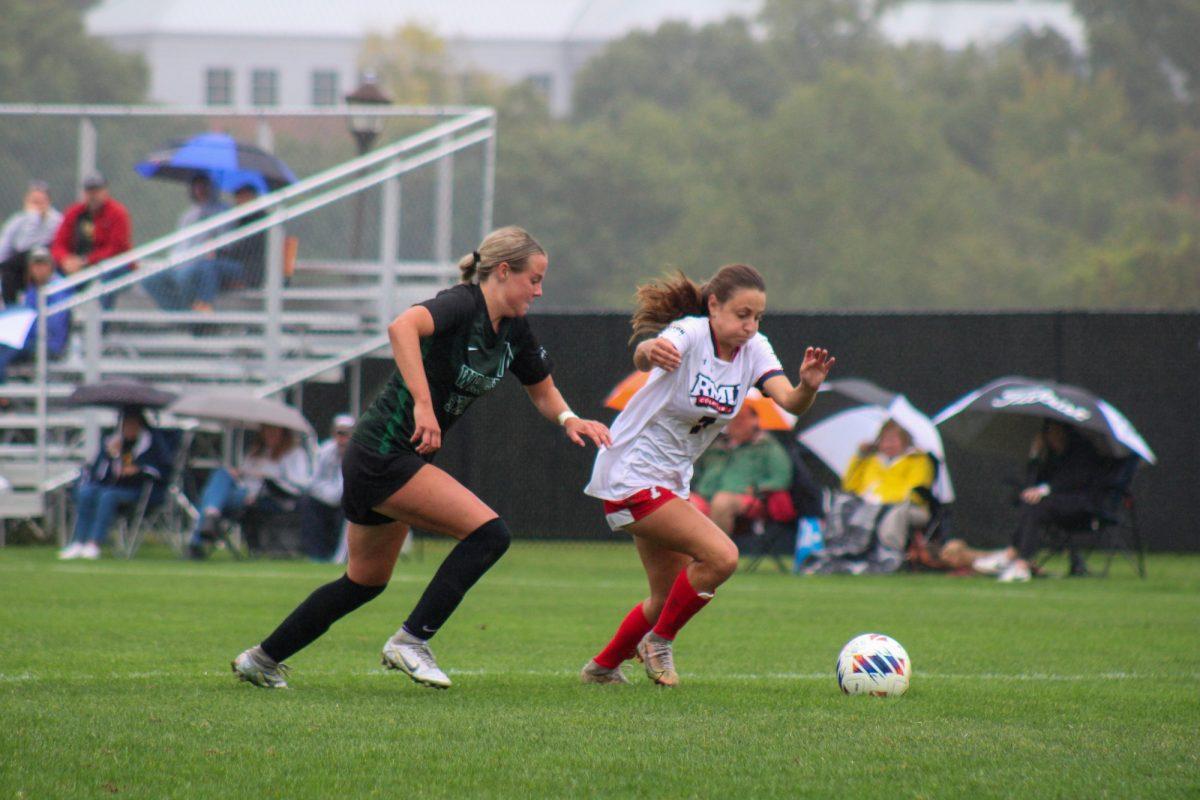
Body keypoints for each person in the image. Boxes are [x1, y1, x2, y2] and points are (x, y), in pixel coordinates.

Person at [230, 226, 611, 690]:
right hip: (381, 454)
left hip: (392, 459)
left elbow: (543, 390)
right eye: (534, 278)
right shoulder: (462, 304)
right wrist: (424, 404)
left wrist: (570, 418)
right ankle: (411, 641)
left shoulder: (514, 330)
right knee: (489, 534)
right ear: (504, 271)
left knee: (364, 582)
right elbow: (402, 326)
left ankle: (262, 659)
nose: (539, 289)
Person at [581, 264, 834, 687]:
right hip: (631, 473)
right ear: (713, 306)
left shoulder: (754, 349)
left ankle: (601, 668)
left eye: (757, 317)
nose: (750, 325)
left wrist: (807, 386)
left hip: (669, 482)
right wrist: (649, 352)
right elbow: (647, 352)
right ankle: (659, 643)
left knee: (665, 597)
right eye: (742, 314)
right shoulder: (692, 332)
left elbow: (790, 401)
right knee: (722, 556)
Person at [973, 420, 1112, 583]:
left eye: (1055, 430)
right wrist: (1035, 456)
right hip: (1054, 506)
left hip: (1083, 508)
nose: (1052, 436)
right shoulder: (1052, 455)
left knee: (1036, 505)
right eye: (1048, 431)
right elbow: (1033, 485)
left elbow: (1075, 482)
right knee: (1031, 503)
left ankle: (1018, 560)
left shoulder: (1082, 451)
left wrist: (1044, 491)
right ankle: (1017, 559)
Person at [57, 409, 173, 560]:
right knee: (86, 491)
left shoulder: (152, 444)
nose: (129, 429)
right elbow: (99, 475)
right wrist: (111, 456)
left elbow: (161, 472)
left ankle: (94, 543)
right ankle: (79, 541)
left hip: (137, 490)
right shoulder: (112, 442)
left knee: (107, 496)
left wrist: (138, 470)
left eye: (133, 425)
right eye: (126, 425)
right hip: (111, 486)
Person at [186, 423, 311, 559]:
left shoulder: (294, 453)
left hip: (268, 496)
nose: (270, 434)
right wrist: (238, 472)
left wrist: (267, 476)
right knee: (222, 474)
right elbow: (244, 478)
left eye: (274, 431)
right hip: (244, 493)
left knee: (209, 496)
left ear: (283, 433)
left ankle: (199, 537)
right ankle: (211, 514)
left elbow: (301, 483)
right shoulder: (256, 452)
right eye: (267, 430)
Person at [688, 400, 794, 536]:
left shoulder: (768, 447)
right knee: (682, 502)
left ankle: (716, 554)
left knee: (722, 502)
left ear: (755, 421)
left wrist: (759, 487)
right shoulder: (715, 447)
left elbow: (781, 478)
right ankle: (686, 554)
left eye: (743, 417)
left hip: (748, 500)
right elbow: (694, 475)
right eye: (733, 417)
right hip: (706, 497)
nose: (737, 422)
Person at [841, 419, 935, 559]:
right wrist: (859, 457)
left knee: (894, 513)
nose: (888, 444)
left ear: (905, 440)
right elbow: (849, 486)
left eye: (893, 440)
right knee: (844, 506)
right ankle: (847, 551)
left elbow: (917, 492)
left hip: (910, 508)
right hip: (870, 505)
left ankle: (889, 556)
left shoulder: (918, 460)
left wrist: (882, 500)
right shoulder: (870, 461)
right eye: (884, 440)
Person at [143, 175, 234, 311]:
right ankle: (180, 314)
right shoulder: (188, 215)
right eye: (196, 186)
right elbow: (180, 245)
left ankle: (193, 316)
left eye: (204, 186)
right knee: (150, 278)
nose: (200, 190)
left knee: (185, 276)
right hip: (181, 261)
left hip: (200, 263)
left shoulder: (223, 211)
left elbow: (227, 243)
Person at [50, 173, 133, 307]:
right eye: (89, 191)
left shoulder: (118, 213)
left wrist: (85, 261)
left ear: (105, 191)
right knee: (48, 273)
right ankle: (59, 320)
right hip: (78, 266)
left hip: (112, 267)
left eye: (97, 190)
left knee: (107, 274)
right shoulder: (74, 213)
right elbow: (58, 245)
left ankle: (101, 324)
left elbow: (116, 248)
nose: (93, 195)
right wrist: (66, 260)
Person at [0, 247, 72, 391]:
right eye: (36, 265)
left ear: (50, 266)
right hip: (30, 339)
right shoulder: (32, 290)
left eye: (43, 264)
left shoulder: (58, 289)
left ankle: (4, 395)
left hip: (49, 343)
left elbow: (53, 325)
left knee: (5, 354)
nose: (39, 269)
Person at [300, 413, 355, 562]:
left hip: (351, 500)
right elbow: (314, 481)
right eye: (340, 433)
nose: (343, 439)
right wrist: (328, 495)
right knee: (308, 503)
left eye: (347, 434)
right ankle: (316, 555)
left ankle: (340, 557)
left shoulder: (360, 454)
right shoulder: (325, 451)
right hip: (327, 497)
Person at [0, 180, 62, 306]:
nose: (38, 206)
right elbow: (21, 246)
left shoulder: (57, 220)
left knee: (40, 260)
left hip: (48, 260)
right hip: (22, 263)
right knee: (8, 271)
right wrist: (33, 218)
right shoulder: (18, 220)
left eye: (42, 201)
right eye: (34, 201)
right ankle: (12, 307)